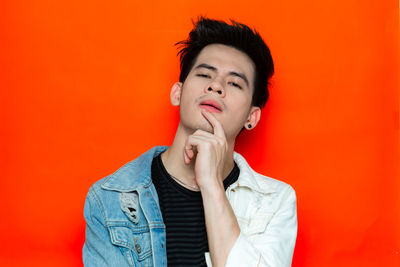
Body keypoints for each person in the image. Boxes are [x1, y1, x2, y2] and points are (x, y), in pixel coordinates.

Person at [83, 17, 297, 267]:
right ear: (178, 93)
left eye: (235, 83)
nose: (216, 86)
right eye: (205, 74)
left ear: (252, 116)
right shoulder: (112, 198)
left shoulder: (274, 202)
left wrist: (211, 186)